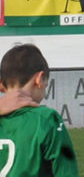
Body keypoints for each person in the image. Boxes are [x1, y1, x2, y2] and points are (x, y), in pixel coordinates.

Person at [0, 44, 78, 176]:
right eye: (45, 86)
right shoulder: (47, 119)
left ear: (2, 85)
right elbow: (66, 172)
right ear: (39, 79)